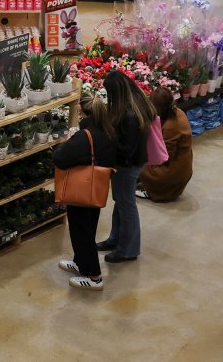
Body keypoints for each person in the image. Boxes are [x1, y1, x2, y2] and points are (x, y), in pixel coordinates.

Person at [53, 95, 118, 290]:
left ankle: (94, 277)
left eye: (80, 113)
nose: (79, 116)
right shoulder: (108, 131)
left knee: (81, 231)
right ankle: (81, 262)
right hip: (96, 189)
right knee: (88, 227)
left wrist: (68, 140)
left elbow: (60, 158)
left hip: (81, 190)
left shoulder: (85, 137)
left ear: (85, 113)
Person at [96, 71, 155, 263]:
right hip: (132, 164)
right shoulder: (138, 104)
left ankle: (128, 250)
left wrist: (106, 139)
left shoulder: (129, 115)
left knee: (127, 207)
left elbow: (127, 149)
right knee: (121, 203)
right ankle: (116, 239)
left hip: (127, 166)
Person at [138, 86, 194, 202]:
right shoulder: (178, 112)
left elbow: (164, 158)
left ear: (159, 107)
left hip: (173, 170)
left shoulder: (171, 126)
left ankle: (152, 189)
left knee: (138, 162)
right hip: (183, 163)